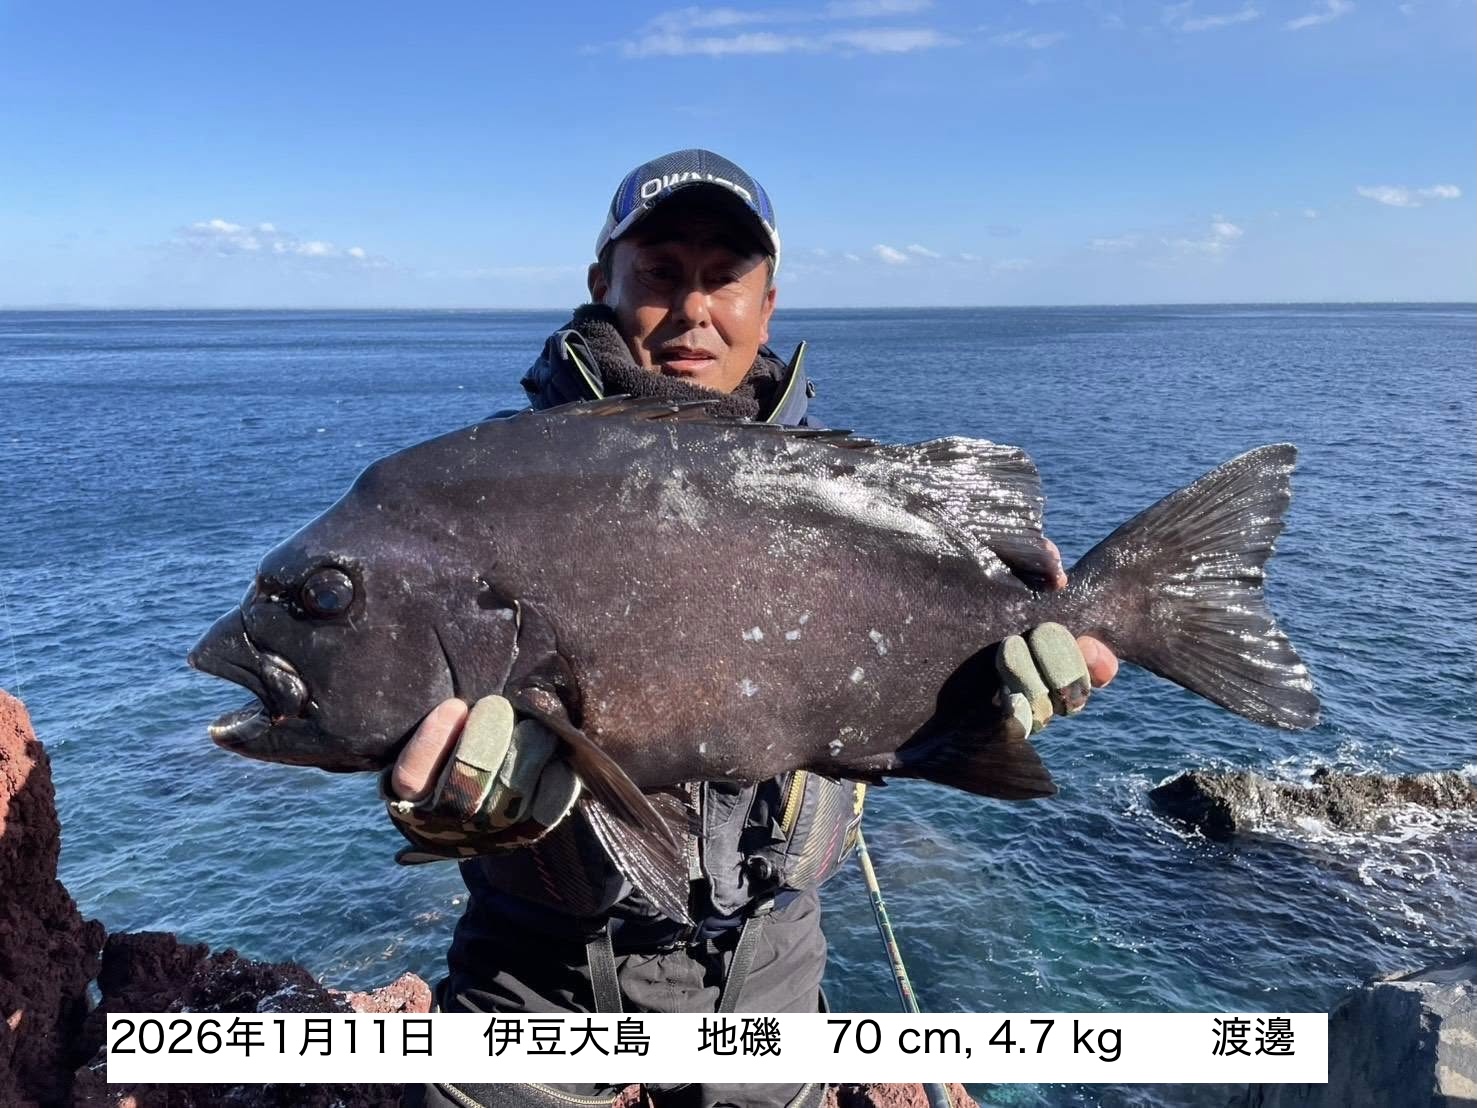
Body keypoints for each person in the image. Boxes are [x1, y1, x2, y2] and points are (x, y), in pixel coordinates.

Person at [388, 150, 1118, 1108]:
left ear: (766, 307)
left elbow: (918, 690)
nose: (692, 309)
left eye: (724, 278)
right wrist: (439, 811)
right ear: (602, 284)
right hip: (535, 977)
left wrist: (987, 693)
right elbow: (402, 713)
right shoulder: (486, 487)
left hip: (772, 968)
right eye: (659, 272)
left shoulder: (850, 496)